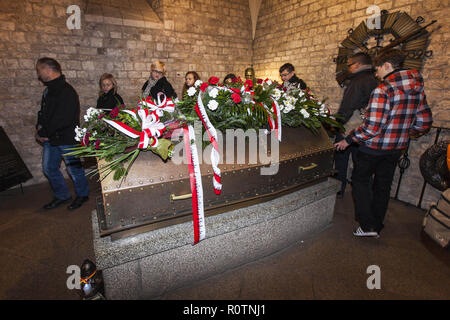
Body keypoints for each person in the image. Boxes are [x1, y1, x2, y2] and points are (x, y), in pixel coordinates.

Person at [334, 49, 432, 238]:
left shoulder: (383, 90)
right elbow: (424, 122)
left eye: (377, 69)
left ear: (387, 65)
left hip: (373, 148)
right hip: (396, 148)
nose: (376, 73)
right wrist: (402, 132)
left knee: (360, 181)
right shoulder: (417, 90)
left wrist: (348, 140)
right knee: (382, 186)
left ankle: (367, 225)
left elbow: (371, 128)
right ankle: (376, 225)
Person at [35, 57, 90, 211]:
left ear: (48, 70)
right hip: (50, 139)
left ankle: (82, 194)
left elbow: (64, 119)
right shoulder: (47, 91)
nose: (39, 74)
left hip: (66, 138)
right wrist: (39, 127)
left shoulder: (67, 91)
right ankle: (62, 195)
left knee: (74, 169)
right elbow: (43, 113)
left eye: (39, 70)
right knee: (49, 168)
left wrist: (45, 132)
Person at [334, 52, 379, 198]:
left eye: (350, 65)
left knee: (341, 160)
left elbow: (348, 105)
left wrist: (337, 123)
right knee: (362, 165)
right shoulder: (375, 80)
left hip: (350, 128)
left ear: (357, 64)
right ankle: (365, 195)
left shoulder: (358, 81)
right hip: (365, 130)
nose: (349, 68)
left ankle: (338, 189)